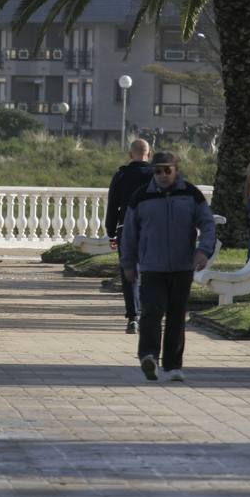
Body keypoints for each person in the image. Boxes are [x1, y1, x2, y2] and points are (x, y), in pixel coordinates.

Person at [119, 151, 216, 382]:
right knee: (151, 313)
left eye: (166, 170)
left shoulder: (191, 194)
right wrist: (128, 264)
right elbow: (129, 234)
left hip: (182, 267)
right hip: (152, 266)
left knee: (176, 316)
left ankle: (173, 366)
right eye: (157, 171)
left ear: (176, 170)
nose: (162, 175)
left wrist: (203, 251)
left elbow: (208, 224)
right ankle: (149, 357)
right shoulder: (141, 197)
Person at [105, 138, 153, 334]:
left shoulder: (121, 175)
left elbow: (113, 206)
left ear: (130, 154)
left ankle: (133, 317)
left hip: (126, 229)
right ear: (148, 155)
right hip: (152, 229)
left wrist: (110, 232)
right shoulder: (156, 175)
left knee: (129, 274)